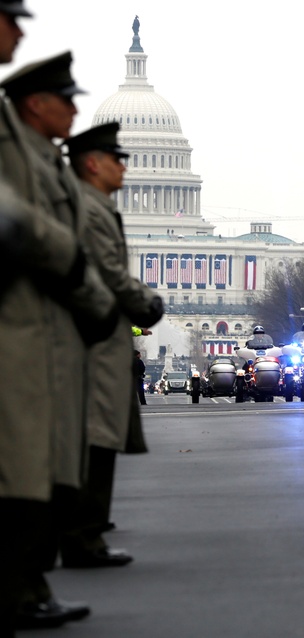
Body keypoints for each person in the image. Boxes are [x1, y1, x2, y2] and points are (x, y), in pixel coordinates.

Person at [2, 47, 121, 632]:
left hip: (57, 328)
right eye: (65, 101)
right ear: (36, 103)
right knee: (26, 461)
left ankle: (30, 580)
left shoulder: (44, 157)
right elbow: (40, 235)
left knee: (51, 455)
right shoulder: (15, 150)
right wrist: (88, 285)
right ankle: (22, 584)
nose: (74, 110)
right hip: (28, 327)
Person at [61, 122, 164, 569]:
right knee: (96, 435)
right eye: (115, 158)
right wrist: (145, 303)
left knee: (98, 434)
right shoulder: (89, 208)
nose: (125, 166)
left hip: (101, 334)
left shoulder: (93, 205)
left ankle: (87, 530)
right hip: (94, 336)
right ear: (91, 163)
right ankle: (83, 536)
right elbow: (105, 271)